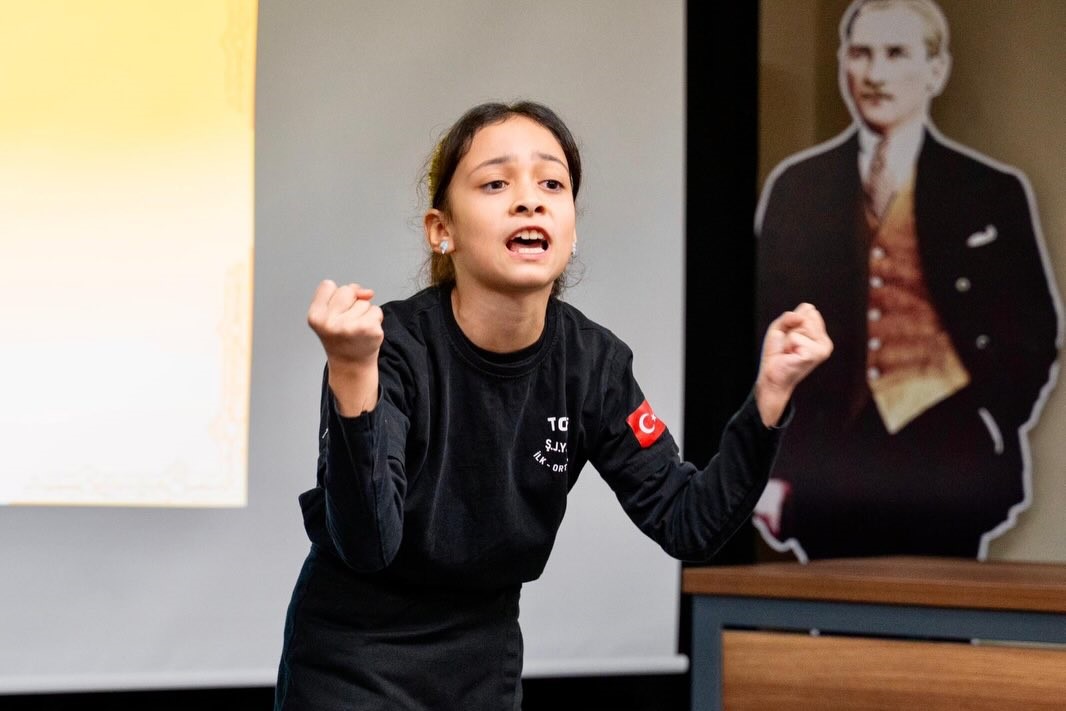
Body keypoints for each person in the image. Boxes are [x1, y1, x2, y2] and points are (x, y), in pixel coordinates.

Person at [273, 100, 832, 710]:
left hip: (481, 668)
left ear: (571, 227)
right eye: (495, 183)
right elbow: (367, 544)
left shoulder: (592, 364)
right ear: (442, 229)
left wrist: (769, 398)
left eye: (551, 183)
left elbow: (687, 521)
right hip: (352, 663)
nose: (529, 199)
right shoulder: (394, 346)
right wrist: (352, 371)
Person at [753, 0, 1060, 561]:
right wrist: (774, 466)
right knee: (833, 643)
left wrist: (991, 421)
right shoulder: (797, 188)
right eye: (861, 53)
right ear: (843, 62)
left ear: (936, 70)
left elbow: (1034, 332)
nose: (874, 74)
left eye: (896, 54)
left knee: (941, 638)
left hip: (952, 464)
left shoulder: (992, 190)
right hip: (829, 468)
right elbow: (761, 330)